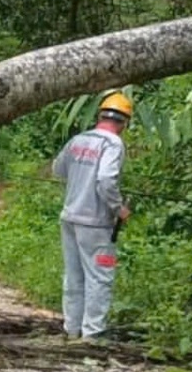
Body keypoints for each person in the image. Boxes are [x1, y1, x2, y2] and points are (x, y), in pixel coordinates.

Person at [50, 91, 133, 340]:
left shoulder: (79, 139)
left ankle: (72, 330)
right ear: (125, 122)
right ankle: (92, 335)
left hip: (70, 217)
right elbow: (106, 180)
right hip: (96, 223)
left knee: (73, 277)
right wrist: (119, 208)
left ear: (100, 115)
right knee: (99, 278)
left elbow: (58, 169)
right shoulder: (113, 144)